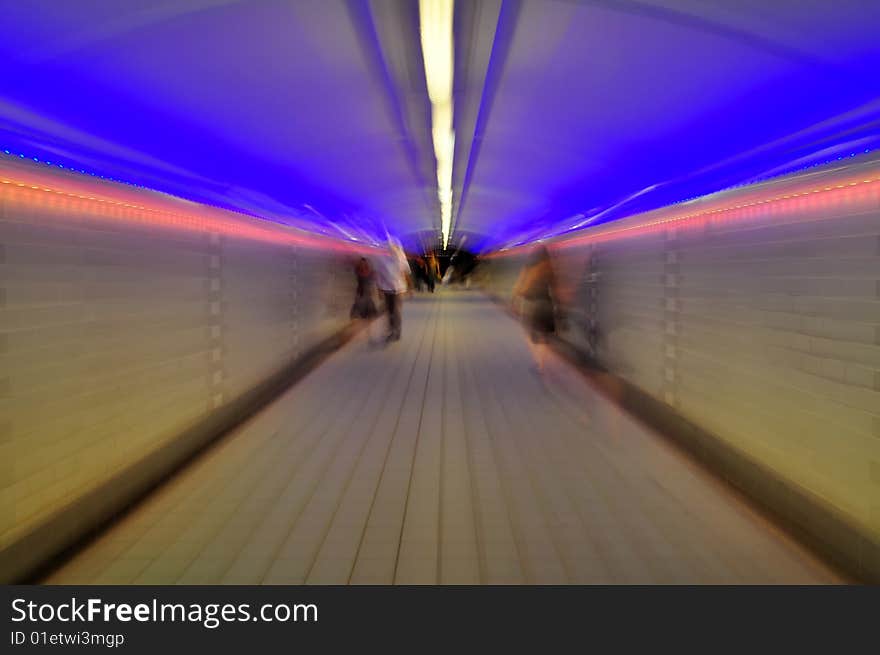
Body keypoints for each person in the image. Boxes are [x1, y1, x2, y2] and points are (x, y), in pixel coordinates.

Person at [513, 244, 557, 372]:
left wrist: (515, 299)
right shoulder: (550, 268)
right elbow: (555, 288)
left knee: (529, 334)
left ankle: (538, 361)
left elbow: (520, 285)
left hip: (532, 304)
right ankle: (542, 364)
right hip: (547, 303)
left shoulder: (528, 267)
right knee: (544, 337)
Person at [373, 238, 411, 342]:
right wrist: (379, 289)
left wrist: (409, 287)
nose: (392, 249)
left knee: (396, 311)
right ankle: (392, 330)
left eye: (394, 247)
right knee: (390, 311)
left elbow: (405, 272)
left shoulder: (400, 258)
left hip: (398, 289)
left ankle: (396, 331)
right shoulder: (381, 259)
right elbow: (378, 274)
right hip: (387, 289)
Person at [350, 257, 378, 321]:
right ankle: (369, 314)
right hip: (364, 286)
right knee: (365, 299)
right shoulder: (366, 268)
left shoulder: (360, 268)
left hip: (363, 286)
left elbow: (357, 273)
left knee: (362, 299)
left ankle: (363, 314)